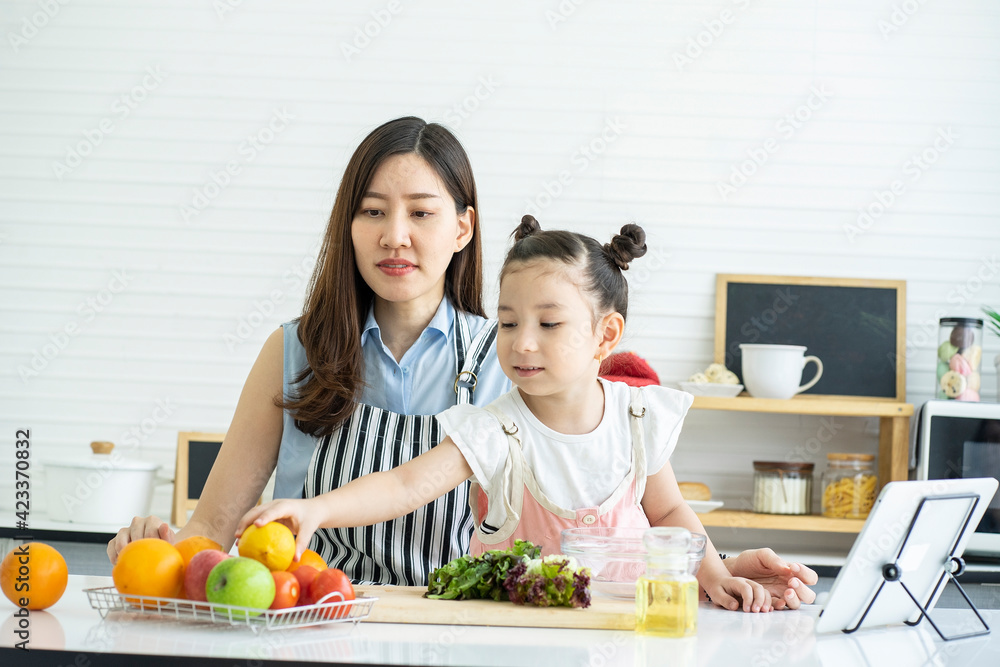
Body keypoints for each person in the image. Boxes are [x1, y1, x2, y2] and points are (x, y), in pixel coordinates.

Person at [108, 117, 817, 608]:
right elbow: (215, 523)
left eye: (420, 211)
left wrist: (711, 566)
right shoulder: (293, 350)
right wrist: (160, 545)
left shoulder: (515, 356)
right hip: (312, 620)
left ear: (463, 226)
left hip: (457, 625)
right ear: (347, 225)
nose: (395, 235)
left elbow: (622, 491)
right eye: (372, 211)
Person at [236, 216, 801, 612]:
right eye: (507, 323)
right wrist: (315, 509)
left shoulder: (638, 417)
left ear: (606, 334)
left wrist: (718, 576)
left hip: (627, 626)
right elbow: (406, 484)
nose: (522, 343)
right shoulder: (494, 427)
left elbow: (671, 512)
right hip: (517, 633)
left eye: (548, 324)